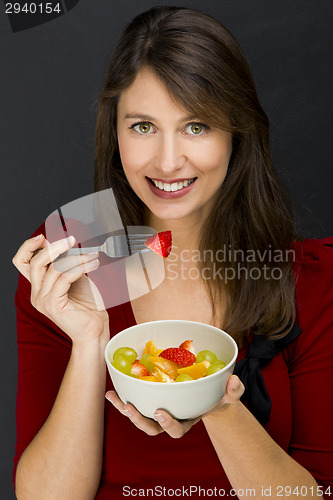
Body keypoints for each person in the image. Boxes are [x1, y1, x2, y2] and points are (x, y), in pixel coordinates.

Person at [12, 6, 333, 500]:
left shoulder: (310, 279)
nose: (167, 161)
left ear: (237, 133)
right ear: (114, 131)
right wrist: (89, 340)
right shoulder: (71, 253)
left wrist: (219, 407)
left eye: (197, 126)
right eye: (142, 126)